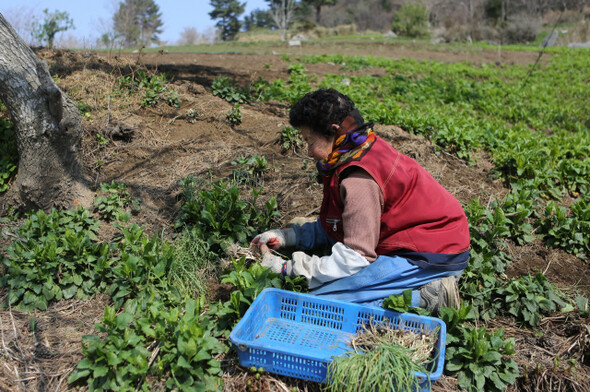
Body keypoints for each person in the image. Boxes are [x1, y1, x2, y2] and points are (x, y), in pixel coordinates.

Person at [251, 88, 470, 314]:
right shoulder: (356, 147)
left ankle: (430, 296)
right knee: (326, 294)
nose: (308, 152)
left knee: (324, 303)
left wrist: (289, 268)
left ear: (333, 131)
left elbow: (354, 257)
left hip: (432, 251)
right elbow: (344, 223)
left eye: (309, 140)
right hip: (419, 237)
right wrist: (290, 236)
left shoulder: (358, 178)